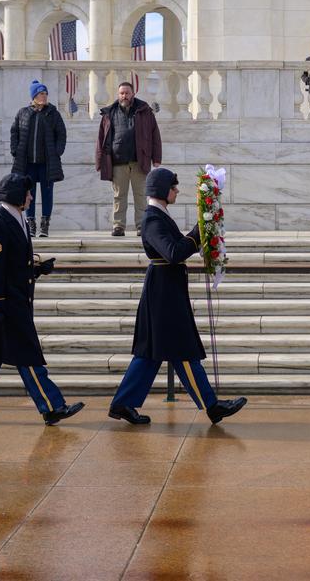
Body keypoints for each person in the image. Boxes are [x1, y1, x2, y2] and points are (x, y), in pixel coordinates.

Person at [108, 167, 248, 426]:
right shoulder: (152, 219)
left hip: (166, 289)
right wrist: (197, 235)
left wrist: (198, 236)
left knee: (150, 354)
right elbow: (172, 252)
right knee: (181, 351)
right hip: (163, 294)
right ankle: (212, 405)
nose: (177, 191)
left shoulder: (159, 215)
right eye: (173, 187)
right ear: (162, 190)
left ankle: (122, 404)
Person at [0, 173, 85, 426]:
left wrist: (36, 271)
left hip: (14, 302)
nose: (31, 197)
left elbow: (12, 266)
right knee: (28, 357)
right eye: (28, 193)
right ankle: (53, 406)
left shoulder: (17, 219)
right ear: (16, 195)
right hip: (5, 306)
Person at [96, 82, 160, 237]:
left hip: (139, 162)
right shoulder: (109, 113)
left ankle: (141, 226)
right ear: (118, 95)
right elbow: (101, 138)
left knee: (140, 196)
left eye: (127, 93)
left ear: (133, 94)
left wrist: (156, 158)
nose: (124, 96)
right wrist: (99, 160)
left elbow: (155, 136)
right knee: (119, 196)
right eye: (121, 93)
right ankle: (118, 226)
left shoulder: (145, 111)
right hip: (118, 163)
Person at [10, 81, 66, 238]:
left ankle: (45, 225)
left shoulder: (53, 113)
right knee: (29, 194)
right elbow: (14, 132)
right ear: (34, 96)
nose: (44, 96)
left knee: (47, 193)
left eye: (45, 93)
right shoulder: (23, 113)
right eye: (41, 93)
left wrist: (57, 151)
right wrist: (15, 150)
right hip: (27, 163)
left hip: (47, 163)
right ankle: (31, 224)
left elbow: (61, 134)